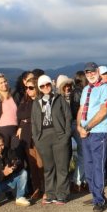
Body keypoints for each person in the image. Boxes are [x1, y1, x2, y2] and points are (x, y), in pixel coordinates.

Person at [77, 62, 107, 212]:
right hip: (85, 132)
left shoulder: (106, 87)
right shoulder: (86, 89)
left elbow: (103, 111)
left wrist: (87, 127)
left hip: (98, 131)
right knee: (88, 165)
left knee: (98, 166)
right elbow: (81, 109)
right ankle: (95, 195)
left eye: (93, 72)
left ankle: (99, 200)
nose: (90, 74)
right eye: (88, 72)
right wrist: (79, 127)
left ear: (98, 72)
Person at [32, 75, 72, 205]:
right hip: (43, 137)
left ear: (51, 84)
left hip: (59, 135)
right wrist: (36, 138)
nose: (45, 87)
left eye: (47, 84)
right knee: (48, 167)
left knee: (62, 167)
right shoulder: (36, 102)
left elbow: (68, 117)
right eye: (42, 86)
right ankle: (50, 194)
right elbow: (34, 122)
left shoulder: (59, 99)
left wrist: (66, 135)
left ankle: (62, 194)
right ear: (39, 88)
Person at [0, 132, 31, 207]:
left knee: (23, 172)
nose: (0, 148)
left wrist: (15, 164)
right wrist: (3, 173)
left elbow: (17, 160)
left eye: (2, 145)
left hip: (8, 182)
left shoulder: (8, 151)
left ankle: (20, 197)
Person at [17, 73, 44, 199]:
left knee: (42, 163)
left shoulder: (42, 100)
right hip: (28, 137)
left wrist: (27, 119)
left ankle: (45, 188)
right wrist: (28, 119)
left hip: (40, 136)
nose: (28, 90)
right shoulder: (25, 100)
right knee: (32, 164)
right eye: (26, 87)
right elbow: (20, 114)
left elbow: (37, 115)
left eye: (31, 87)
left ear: (37, 88)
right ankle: (37, 188)